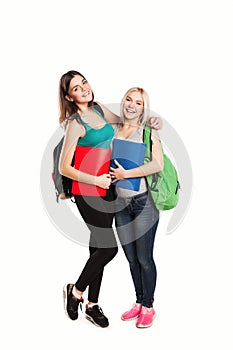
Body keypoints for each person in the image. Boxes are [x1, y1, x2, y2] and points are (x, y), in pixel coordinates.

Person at [58, 71, 162, 328]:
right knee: (109, 249)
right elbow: (64, 167)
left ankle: (92, 305)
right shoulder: (76, 123)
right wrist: (96, 180)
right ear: (69, 97)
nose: (84, 89)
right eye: (76, 88)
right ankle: (76, 291)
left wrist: (150, 121)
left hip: (110, 191)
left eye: (84, 82)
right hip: (88, 191)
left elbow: (128, 122)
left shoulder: (101, 110)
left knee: (98, 249)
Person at [109, 87, 164, 328]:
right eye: (128, 99)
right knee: (130, 258)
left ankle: (149, 306)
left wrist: (126, 173)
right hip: (120, 203)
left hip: (143, 203)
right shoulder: (113, 129)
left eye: (138, 103)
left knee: (144, 258)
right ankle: (138, 301)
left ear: (144, 108)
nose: (131, 105)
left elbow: (157, 164)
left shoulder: (148, 130)